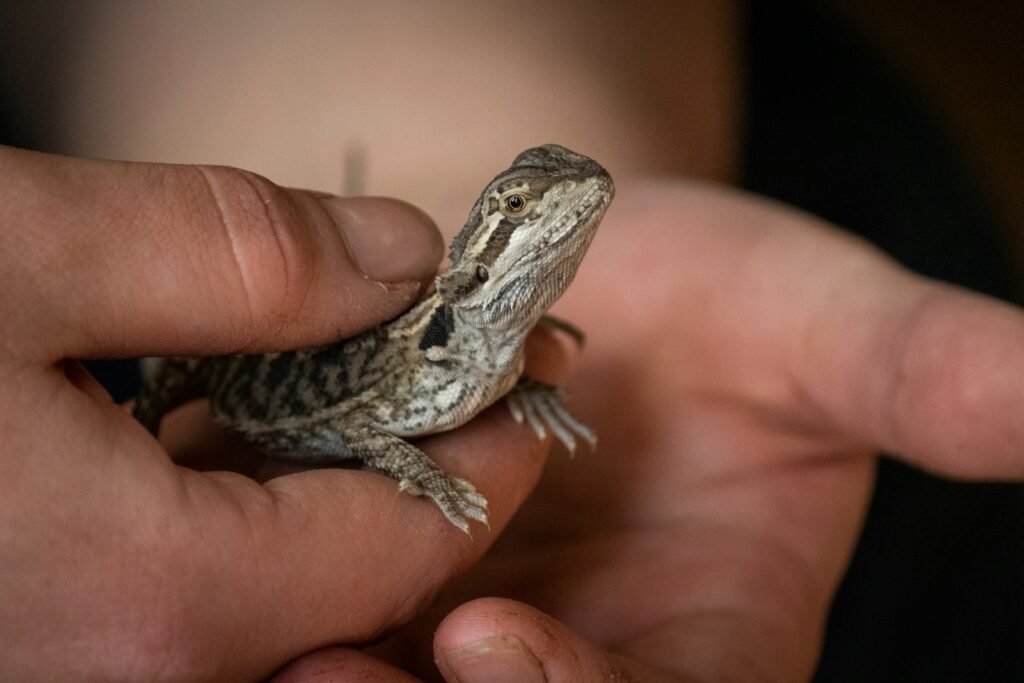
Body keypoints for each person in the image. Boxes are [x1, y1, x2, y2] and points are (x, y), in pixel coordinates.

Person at [3, 141, 1023, 682]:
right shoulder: (425, 363)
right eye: (520, 209)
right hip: (252, 394)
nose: (562, 203)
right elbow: (366, 424)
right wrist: (423, 473)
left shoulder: (486, 350)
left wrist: (523, 385)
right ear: (480, 251)